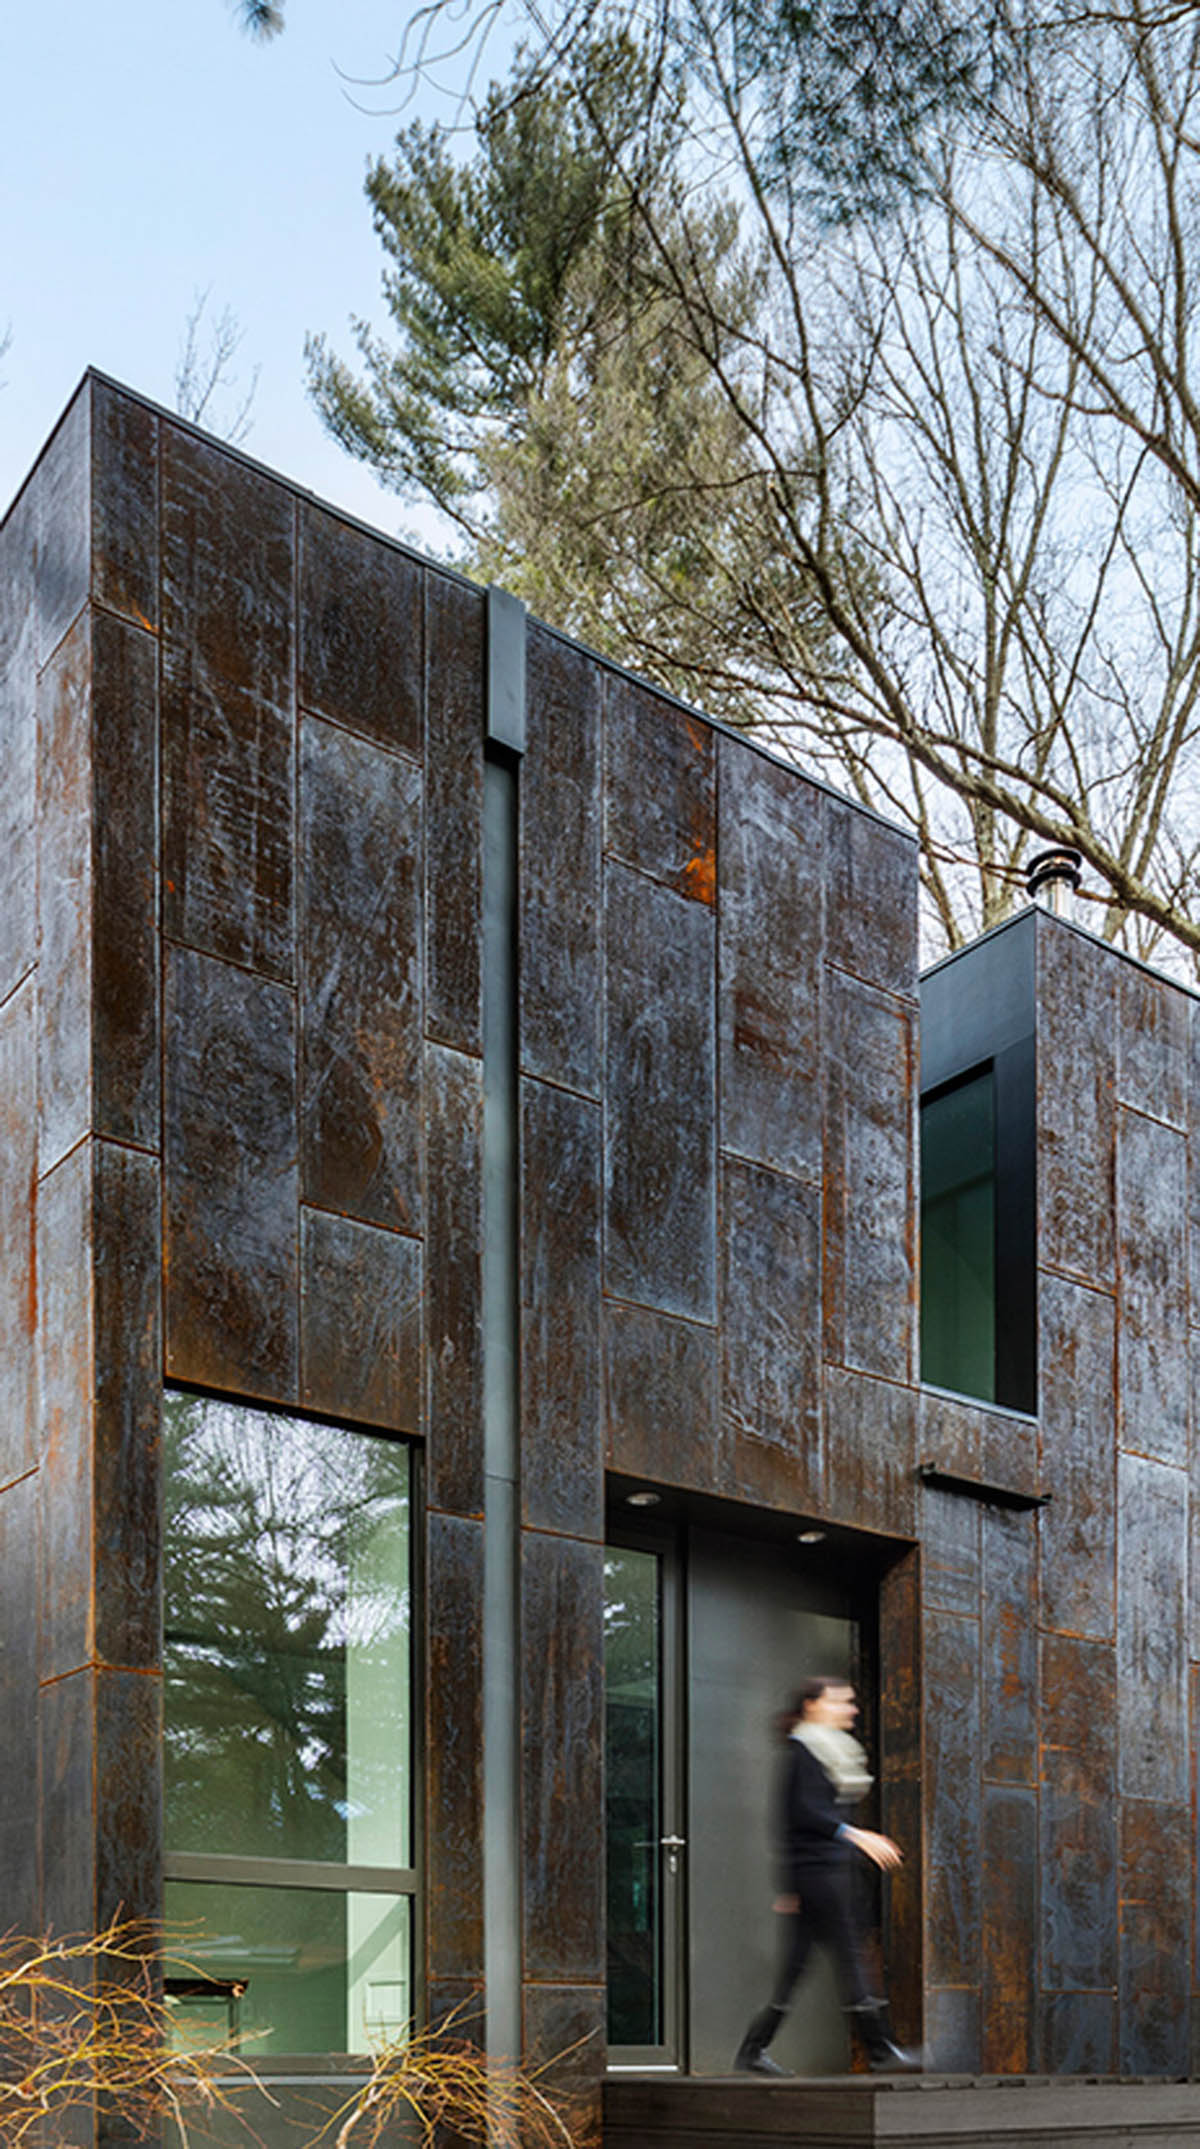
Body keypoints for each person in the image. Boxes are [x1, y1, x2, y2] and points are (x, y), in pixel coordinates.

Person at [733, 1675, 919, 2076]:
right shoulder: (804, 1751)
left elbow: (792, 1821)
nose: (851, 1709)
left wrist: (790, 1887)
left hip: (818, 1872)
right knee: (852, 1953)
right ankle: (880, 2048)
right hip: (821, 1870)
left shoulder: (829, 1751)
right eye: (841, 1701)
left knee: (796, 1966)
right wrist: (854, 1835)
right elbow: (798, 1813)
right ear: (813, 1705)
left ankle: (753, 2049)